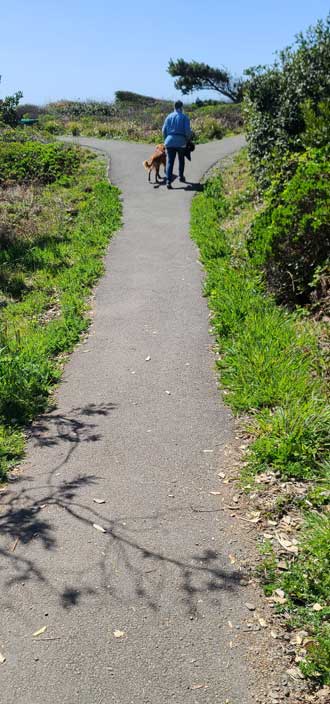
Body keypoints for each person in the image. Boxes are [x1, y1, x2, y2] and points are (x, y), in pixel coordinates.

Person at [162, 100, 192, 189]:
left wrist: (166, 140)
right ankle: (181, 177)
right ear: (181, 107)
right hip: (181, 142)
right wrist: (187, 140)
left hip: (169, 141)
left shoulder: (168, 117)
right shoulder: (184, 117)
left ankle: (168, 181)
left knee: (170, 161)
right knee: (181, 159)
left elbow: (163, 130)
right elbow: (187, 131)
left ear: (174, 107)